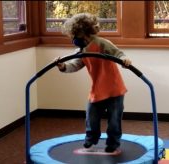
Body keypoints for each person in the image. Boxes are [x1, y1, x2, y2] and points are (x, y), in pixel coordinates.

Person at [55, 13, 132, 153]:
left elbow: (118, 53)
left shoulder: (101, 43)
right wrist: (63, 67)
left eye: (75, 35)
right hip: (98, 88)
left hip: (114, 89)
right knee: (91, 115)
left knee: (114, 120)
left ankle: (113, 143)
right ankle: (91, 138)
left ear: (84, 32)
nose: (73, 39)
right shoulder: (80, 49)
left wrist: (125, 60)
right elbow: (76, 64)